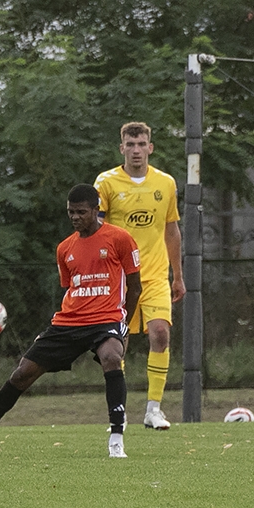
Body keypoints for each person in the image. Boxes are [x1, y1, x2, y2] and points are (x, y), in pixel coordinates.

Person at [0, 184, 142, 459]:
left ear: (97, 210)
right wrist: (53, 332)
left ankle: (116, 439)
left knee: (111, 356)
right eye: (71, 212)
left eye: (81, 212)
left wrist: (124, 326)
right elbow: (70, 289)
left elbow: (135, 286)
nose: (75, 217)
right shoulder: (65, 248)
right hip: (69, 322)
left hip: (106, 319)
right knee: (22, 373)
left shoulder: (119, 238)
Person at [93, 122, 184, 431]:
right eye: (130, 144)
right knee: (117, 346)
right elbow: (96, 231)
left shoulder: (166, 183)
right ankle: (118, 412)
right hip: (120, 279)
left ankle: (153, 410)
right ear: (122, 148)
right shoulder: (106, 183)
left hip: (156, 276)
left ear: (150, 147)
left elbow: (172, 230)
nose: (136, 150)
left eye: (141, 144)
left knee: (160, 333)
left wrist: (178, 275)